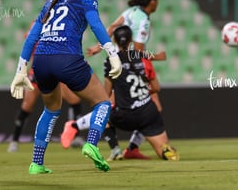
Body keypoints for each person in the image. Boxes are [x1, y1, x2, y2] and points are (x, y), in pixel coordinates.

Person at [10, 0, 122, 174]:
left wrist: (21, 70)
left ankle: (36, 164)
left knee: (51, 110)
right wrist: (112, 53)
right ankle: (91, 143)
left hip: (41, 61)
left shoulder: (51, 1)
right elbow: (96, 25)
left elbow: (32, 36)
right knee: (103, 102)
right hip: (67, 58)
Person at [63, 26, 179, 160]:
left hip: (125, 116)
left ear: (115, 41)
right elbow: (156, 87)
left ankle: (114, 149)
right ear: (131, 40)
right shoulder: (142, 57)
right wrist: (140, 93)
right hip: (148, 113)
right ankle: (161, 150)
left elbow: (105, 94)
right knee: (163, 151)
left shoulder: (111, 61)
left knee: (103, 109)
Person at [85, 0, 165, 159]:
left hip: (114, 62)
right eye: (157, 0)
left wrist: (99, 48)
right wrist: (154, 58)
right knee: (151, 106)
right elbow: (136, 51)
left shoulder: (130, 11)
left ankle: (121, 148)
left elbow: (113, 27)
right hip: (129, 66)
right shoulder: (143, 20)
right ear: (152, 2)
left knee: (109, 104)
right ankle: (77, 126)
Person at [7, 0, 84, 153]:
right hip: (38, 70)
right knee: (27, 105)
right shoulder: (38, 23)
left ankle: (76, 135)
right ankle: (14, 140)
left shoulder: (64, 23)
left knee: (74, 99)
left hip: (57, 68)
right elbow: (29, 43)